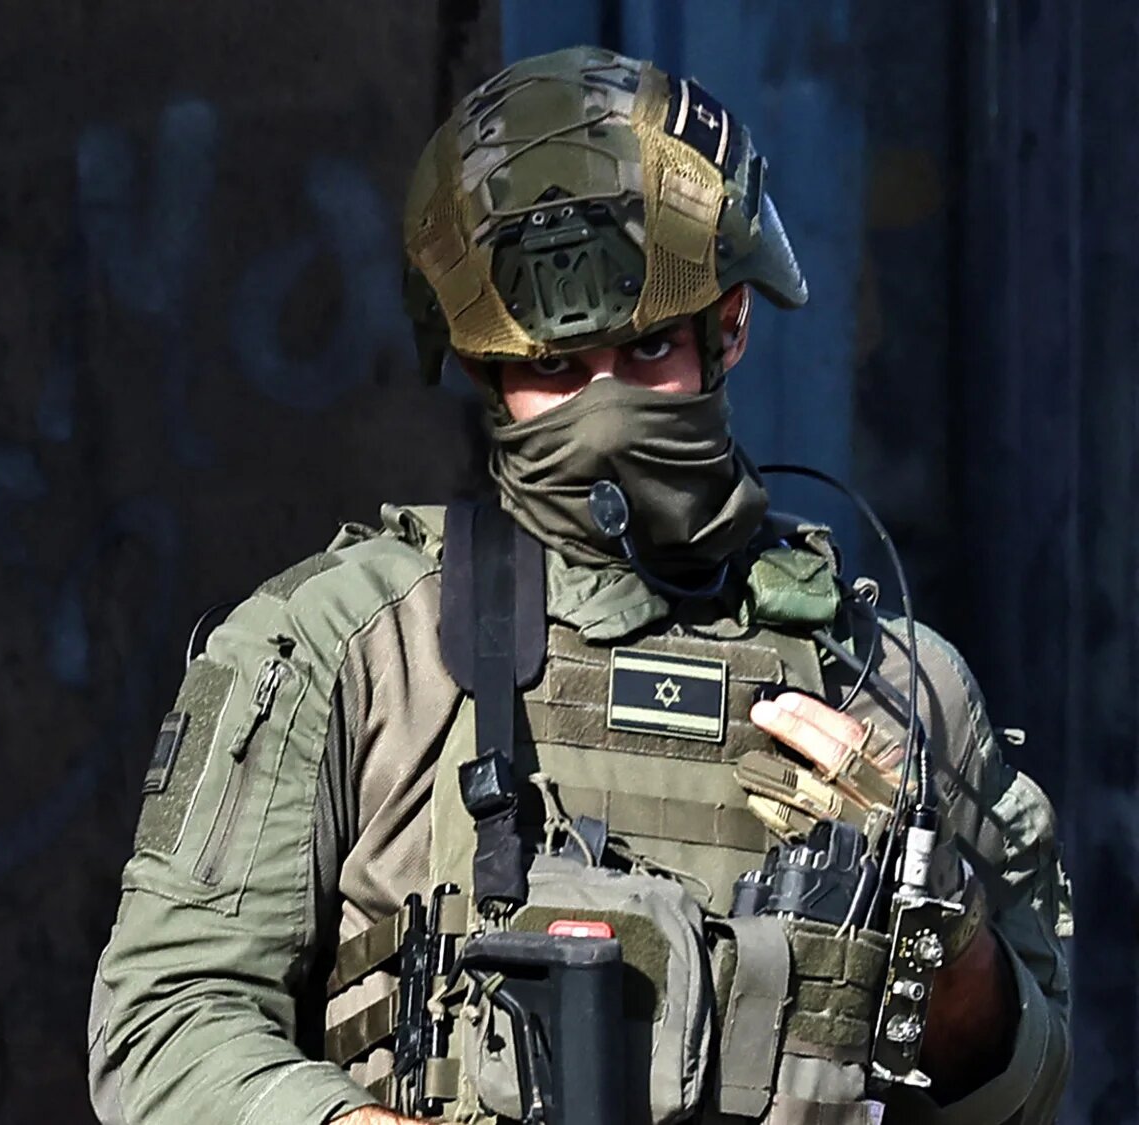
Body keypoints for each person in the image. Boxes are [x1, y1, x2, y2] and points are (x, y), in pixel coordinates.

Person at [86, 45, 1071, 1125]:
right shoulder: (351, 646)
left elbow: (1022, 1093)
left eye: (645, 347)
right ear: (480, 369)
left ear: (727, 325)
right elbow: (162, 1026)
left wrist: (944, 930)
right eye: (554, 368)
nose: (606, 406)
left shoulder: (897, 691)